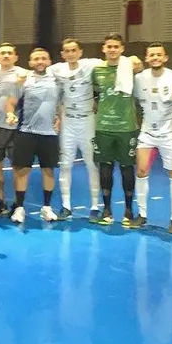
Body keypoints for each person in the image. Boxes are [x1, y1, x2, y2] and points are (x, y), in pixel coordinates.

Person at [133, 43, 172, 231]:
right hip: (147, 132)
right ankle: (142, 214)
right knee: (141, 172)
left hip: (169, 132)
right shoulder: (139, 79)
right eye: (151, 55)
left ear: (165, 58)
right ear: (146, 58)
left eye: (159, 55)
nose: (155, 58)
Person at [50, 38, 104, 221]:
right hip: (68, 123)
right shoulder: (57, 69)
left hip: (87, 121)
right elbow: (34, 71)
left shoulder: (92, 65)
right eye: (67, 50)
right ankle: (66, 206)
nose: (71, 53)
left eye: (74, 50)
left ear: (80, 52)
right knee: (65, 165)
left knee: (91, 164)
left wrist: (133, 61)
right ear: (63, 54)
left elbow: (116, 62)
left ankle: (95, 206)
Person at [6, 48, 61, 224]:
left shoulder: (57, 80)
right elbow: (11, 102)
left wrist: (59, 116)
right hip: (26, 132)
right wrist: (10, 114)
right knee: (23, 170)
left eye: (44, 58)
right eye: (36, 59)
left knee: (48, 170)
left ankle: (46, 208)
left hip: (49, 133)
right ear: (30, 63)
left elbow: (61, 101)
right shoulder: (23, 80)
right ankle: (19, 208)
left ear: (49, 61)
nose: (40, 61)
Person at [91, 33, 140, 226]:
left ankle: (128, 210)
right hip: (104, 126)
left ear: (122, 49)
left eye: (115, 46)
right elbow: (95, 95)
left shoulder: (131, 67)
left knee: (127, 168)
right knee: (105, 167)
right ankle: (107, 209)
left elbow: (141, 65)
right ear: (103, 48)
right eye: (108, 46)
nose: (112, 49)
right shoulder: (97, 70)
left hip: (126, 127)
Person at [0, 43, 23, 216]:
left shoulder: (23, 74)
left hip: (15, 128)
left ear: (16, 57)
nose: (6, 55)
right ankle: (1, 202)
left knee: (17, 167)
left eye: (9, 53)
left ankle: (18, 203)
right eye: (3, 53)